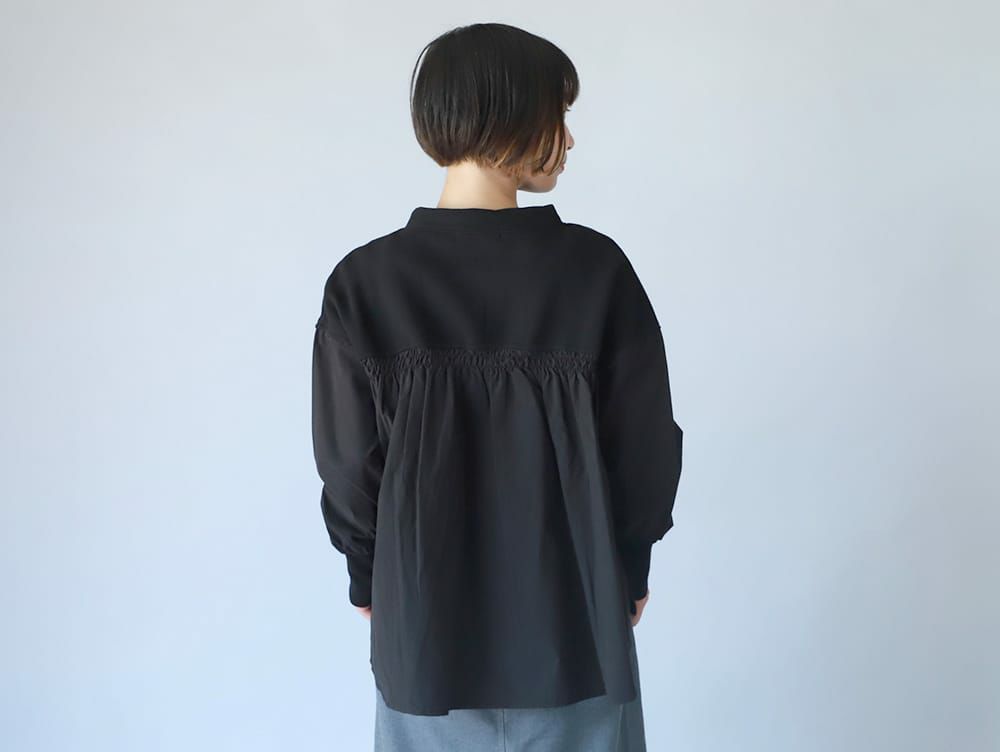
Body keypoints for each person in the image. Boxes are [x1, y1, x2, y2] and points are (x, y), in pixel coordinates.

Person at [311, 22, 683, 752]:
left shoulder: (365, 285)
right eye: (558, 114)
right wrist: (629, 567)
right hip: (578, 637)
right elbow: (644, 449)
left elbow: (349, 467)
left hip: (425, 646)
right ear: (506, 112)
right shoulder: (595, 273)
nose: (568, 139)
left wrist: (368, 578)